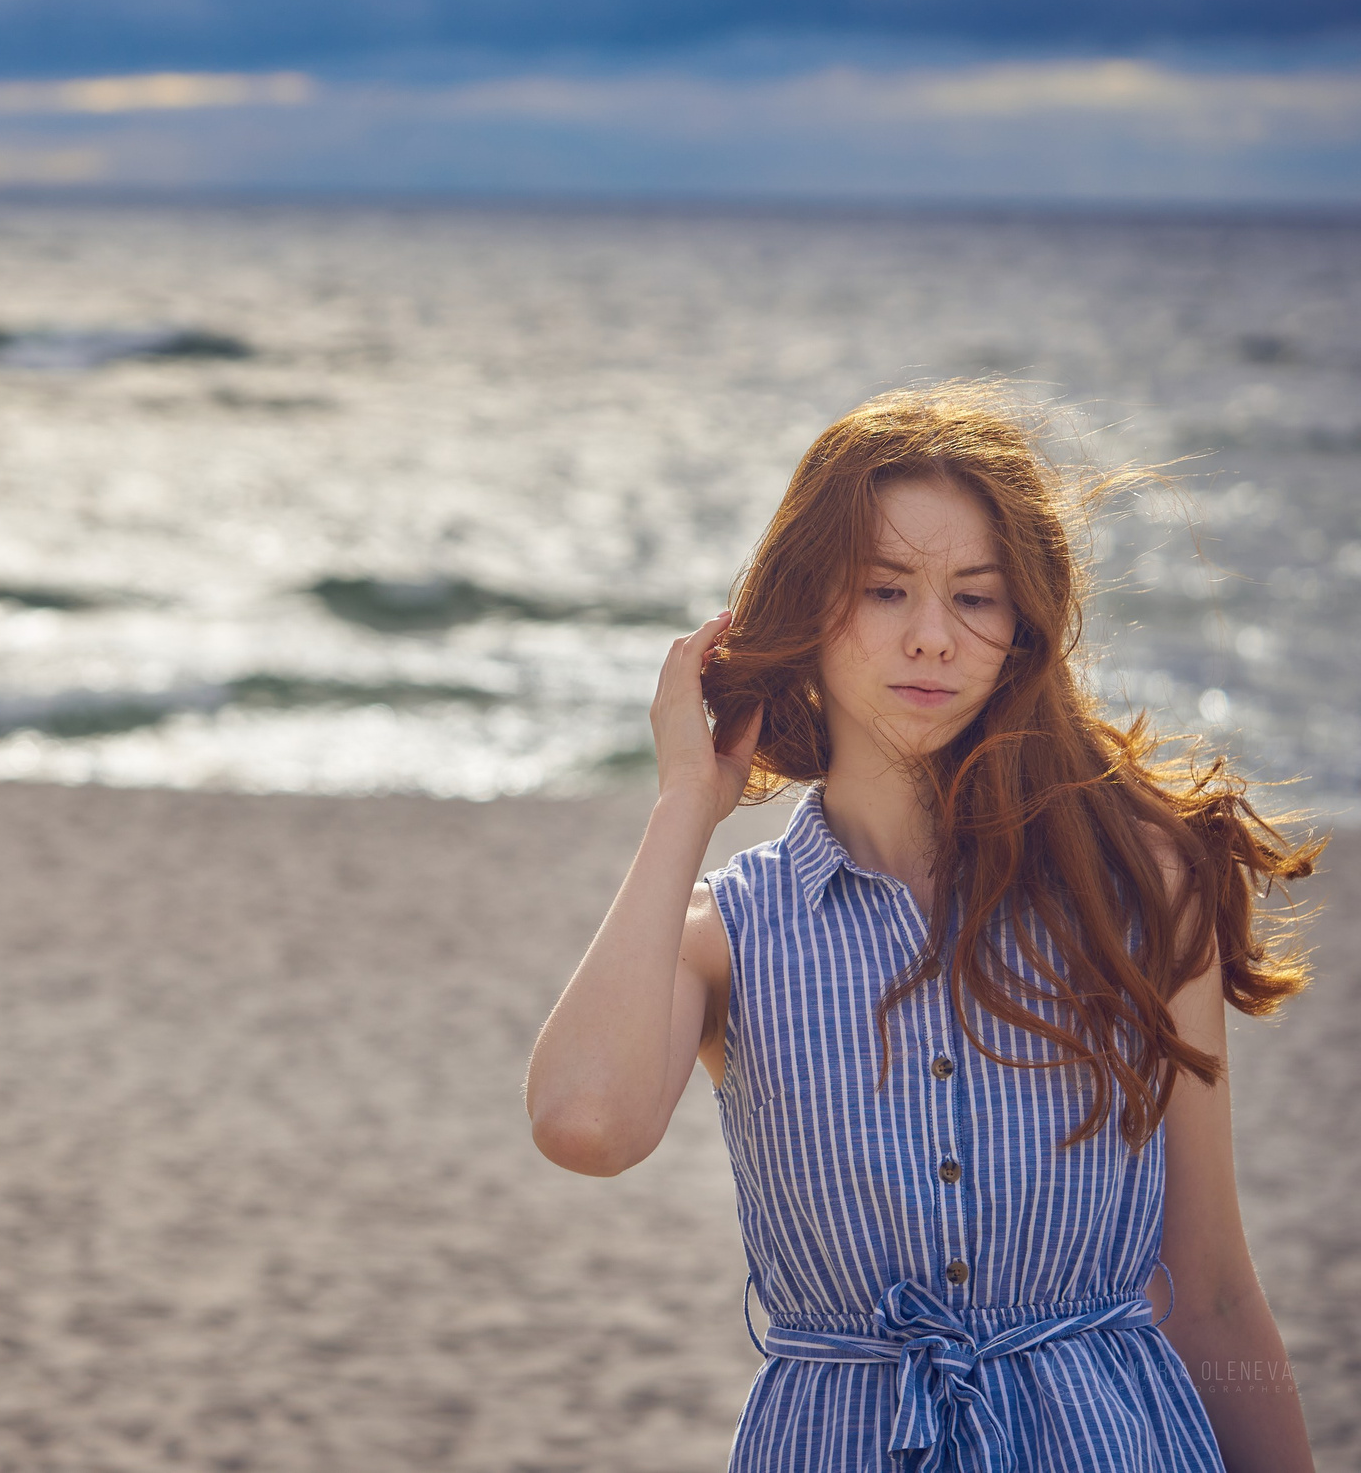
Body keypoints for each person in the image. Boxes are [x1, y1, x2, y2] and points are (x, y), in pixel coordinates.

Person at [524, 384, 1318, 1470]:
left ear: (1020, 630)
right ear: (807, 607)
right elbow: (584, 1124)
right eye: (885, 589)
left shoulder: (1139, 888)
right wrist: (683, 806)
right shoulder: (731, 934)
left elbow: (1213, 1293)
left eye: (976, 598)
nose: (933, 638)